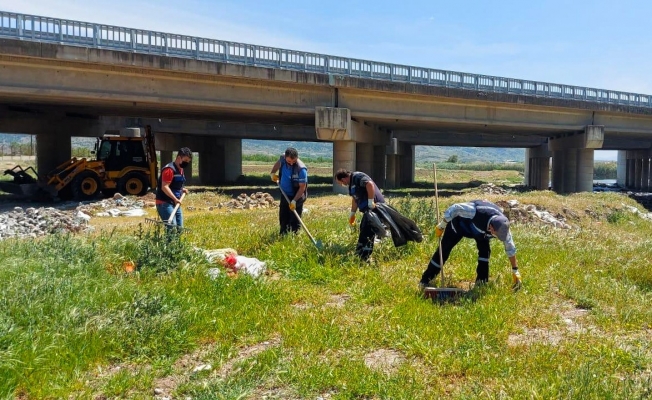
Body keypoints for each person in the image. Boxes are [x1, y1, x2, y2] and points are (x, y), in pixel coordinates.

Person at [419, 200, 522, 291]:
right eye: (497, 235)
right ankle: (425, 280)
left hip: (480, 233)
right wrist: (443, 224)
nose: (499, 238)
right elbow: (455, 208)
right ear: (491, 227)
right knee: (444, 250)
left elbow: (510, 248)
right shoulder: (475, 211)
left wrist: (515, 270)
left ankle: (481, 283)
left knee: (485, 252)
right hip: (459, 225)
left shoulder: (503, 227)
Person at [335, 169, 386, 261]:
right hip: (367, 210)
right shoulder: (351, 185)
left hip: (375, 207)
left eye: (341, 182)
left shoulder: (357, 177)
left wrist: (371, 201)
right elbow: (355, 199)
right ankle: (361, 253)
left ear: (344, 179)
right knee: (364, 228)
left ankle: (364, 255)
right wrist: (352, 214)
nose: (342, 185)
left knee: (367, 230)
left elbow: (369, 184)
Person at [270, 147, 308, 235]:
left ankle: (294, 236)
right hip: (284, 193)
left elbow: (302, 188)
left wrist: (294, 201)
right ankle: (283, 234)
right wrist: (272, 173)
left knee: (294, 218)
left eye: (293, 162)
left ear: (297, 158)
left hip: (297, 195)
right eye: (289, 162)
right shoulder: (283, 158)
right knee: (283, 216)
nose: (291, 164)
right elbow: (278, 164)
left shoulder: (301, 169)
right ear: (285, 158)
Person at [155, 147, 191, 229]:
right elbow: (165, 187)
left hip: (175, 202)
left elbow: (175, 184)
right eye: (185, 161)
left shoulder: (181, 169)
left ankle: (177, 242)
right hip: (164, 203)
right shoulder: (169, 169)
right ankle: (168, 242)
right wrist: (175, 199)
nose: (187, 163)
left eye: (188, 161)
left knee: (179, 227)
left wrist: (182, 189)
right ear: (179, 158)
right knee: (172, 228)